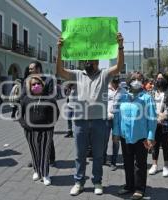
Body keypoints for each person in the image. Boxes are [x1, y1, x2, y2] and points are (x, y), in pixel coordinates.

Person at [56, 32, 124, 196]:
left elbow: (119, 67)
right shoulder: (77, 74)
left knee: (99, 154)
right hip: (80, 121)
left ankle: (97, 181)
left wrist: (120, 46)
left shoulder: (105, 74)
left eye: (90, 59)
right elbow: (59, 71)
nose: (87, 61)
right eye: (85, 59)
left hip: (100, 121)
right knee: (80, 154)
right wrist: (59, 50)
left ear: (97, 61)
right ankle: (79, 182)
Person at [113, 72, 157, 200]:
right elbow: (117, 117)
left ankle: (139, 188)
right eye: (134, 79)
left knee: (140, 164)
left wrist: (150, 136)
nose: (136, 81)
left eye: (139, 79)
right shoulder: (123, 97)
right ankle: (129, 186)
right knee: (127, 163)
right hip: (125, 136)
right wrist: (115, 133)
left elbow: (152, 118)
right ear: (128, 81)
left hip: (141, 137)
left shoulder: (147, 98)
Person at [19, 75, 59, 186]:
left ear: (42, 85)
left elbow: (56, 113)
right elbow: (20, 115)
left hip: (46, 131)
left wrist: (50, 124)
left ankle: (45, 174)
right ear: (29, 87)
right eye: (33, 84)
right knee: (34, 151)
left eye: (38, 83)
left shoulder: (49, 99)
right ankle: (37, 170)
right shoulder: (26, 99)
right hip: (30, 131)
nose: (36, 86)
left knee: (45, 153)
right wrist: (25, 125)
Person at [22, 61, 56, 168]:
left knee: (47, 138)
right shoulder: (27, 81)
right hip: (32, 112)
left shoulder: (49, 80)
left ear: (39, 69)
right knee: (34, 139)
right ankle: (36, 159)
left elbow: (52, 96)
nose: (30, 70)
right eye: (29, 69)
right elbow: (23, 95)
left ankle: (50, 158)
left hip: (45, 113)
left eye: (32, 69)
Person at [148, 72, 168, 177]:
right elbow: (149, 105)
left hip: (166, 121)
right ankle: (154, 165)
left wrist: (163, 115)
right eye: (158, 78)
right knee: (154, 144)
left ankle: (165, 166)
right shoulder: (152, 91)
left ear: (166, 80)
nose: (159, 80)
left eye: (161, 78)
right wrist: (156, 116)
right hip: (154, 121)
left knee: (165, 145)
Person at [103, 76, 126, 171]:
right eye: (114, 82)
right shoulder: (105, 90)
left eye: (117, 82)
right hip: (107, 118)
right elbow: (102, 103)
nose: (116, 84)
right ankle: (103, 158)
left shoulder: (123, 91)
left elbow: (125, 103)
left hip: (118, 119)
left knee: (116, 141)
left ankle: (114, 162)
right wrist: (106, 113)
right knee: (104, 139)